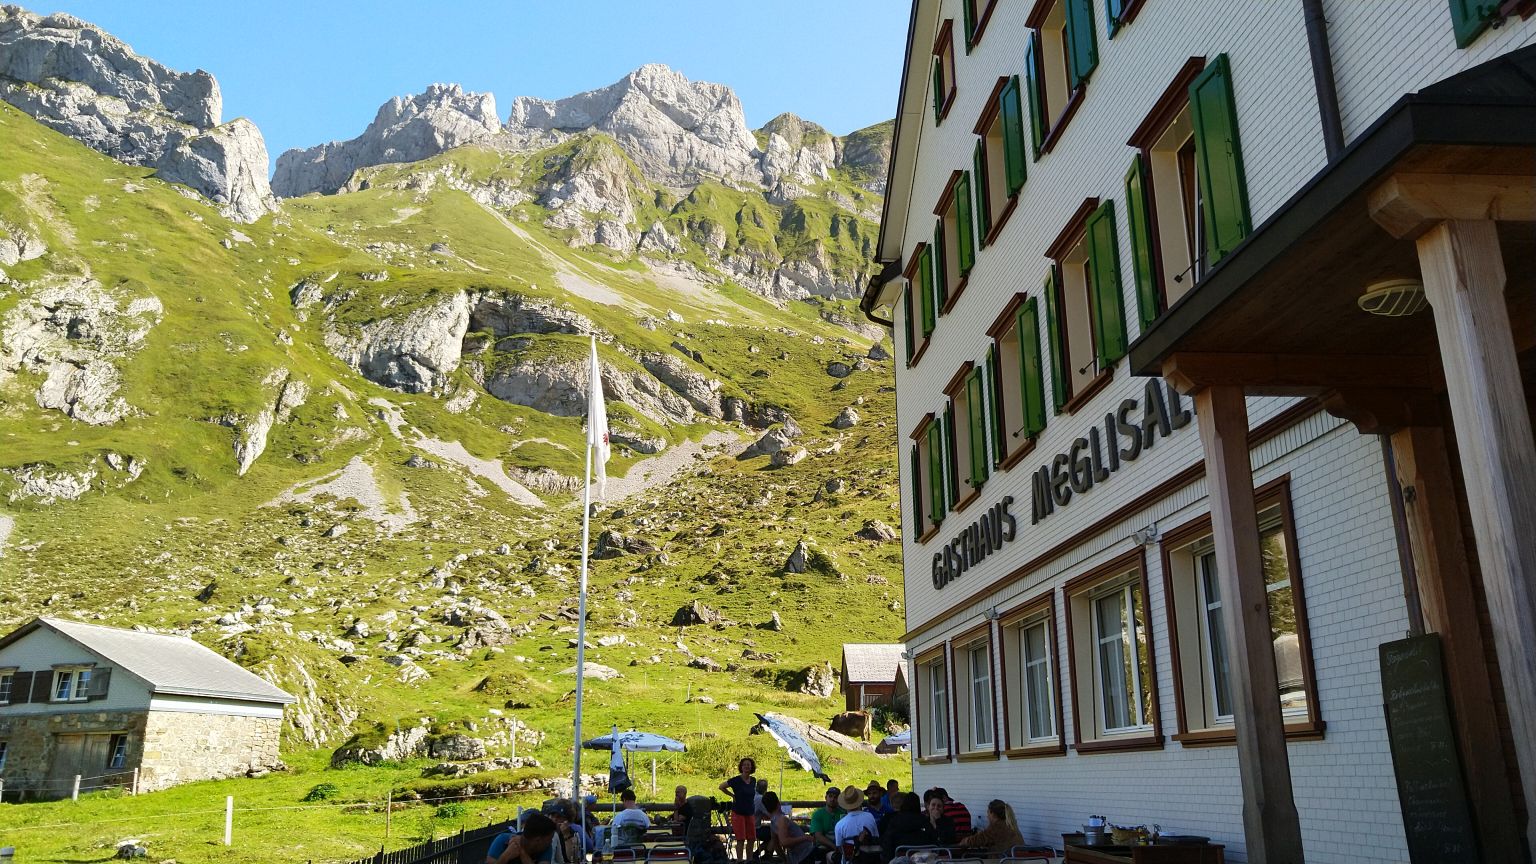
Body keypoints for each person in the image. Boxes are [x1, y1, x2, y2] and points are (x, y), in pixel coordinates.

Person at [718, 757, 758, 861]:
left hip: (750, 812)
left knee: (752, 838)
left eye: (748, 765)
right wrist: (732, 795)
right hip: (738, 812)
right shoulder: (736, 780)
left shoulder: (753, 780)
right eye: (744, 765)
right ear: (741, 767)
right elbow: (721, 786)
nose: (746, 766)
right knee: (740, 839)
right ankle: (739, 860)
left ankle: (749, 860)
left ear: (751, 767)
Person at [958, 800, 1023, 858]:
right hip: (1016, 857)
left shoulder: (997, 826)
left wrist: (965, 841)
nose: (987, 816)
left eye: (988, 812)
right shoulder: (1009, 824)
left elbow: (980, 839)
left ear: (992, 813)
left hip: (1003, 858)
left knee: (964, 855)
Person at [881, 792, 935, 861]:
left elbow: (887, 841)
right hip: (923, 859)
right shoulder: (924, 820)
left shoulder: (895, 820)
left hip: (899, 858)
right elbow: (933, 839)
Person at [833, 786, 881, 864]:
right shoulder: (869, 816)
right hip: (871, 859)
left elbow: (839, 847)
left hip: (851, 860)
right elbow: (876, 836)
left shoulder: (840, 825)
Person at [764, 791, 814, 864]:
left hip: (796, 857)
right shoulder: (781, 819)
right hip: (805, 853)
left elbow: (775, 844)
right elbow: (785, 842)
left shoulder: (773, 823)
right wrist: (806, 837)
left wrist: (784, 859)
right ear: (778, 803)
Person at [491, 812, 557, 864]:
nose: (551, 842)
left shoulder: (546, 847)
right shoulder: (503, 840)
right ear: (538, 840)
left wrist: (522, 852)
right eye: (550, 839)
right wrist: (505, 856)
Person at [807, 786, 843, 863]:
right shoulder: (818, 814)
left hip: (840, 846)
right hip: (823, 847)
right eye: (830, 796)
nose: (832, 799)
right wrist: (835, 847)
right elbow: (818, 836)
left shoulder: (843, 813)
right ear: (826, 797)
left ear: (839, 800)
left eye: (835, 797)